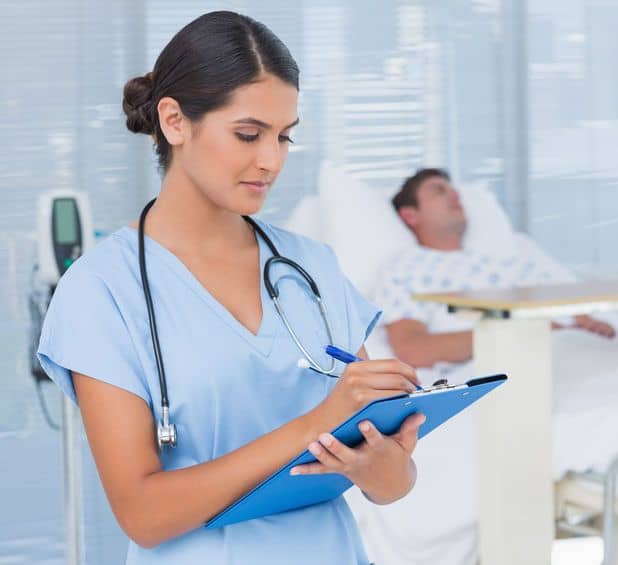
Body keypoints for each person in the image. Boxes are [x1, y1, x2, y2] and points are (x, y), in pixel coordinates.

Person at [36, 11, 424, 564]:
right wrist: (316, 423)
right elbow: (142, 514)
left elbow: (390, 484)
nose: (271, 160)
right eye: (248, 134)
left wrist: (387, 466)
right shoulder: (101, 291)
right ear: (174, 122)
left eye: (284, 137)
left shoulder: (309, 267)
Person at [376, 168, 615, 371]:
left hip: (577, 353)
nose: (454, 195)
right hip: (508, 366)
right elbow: (413, 350)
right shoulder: (405, 268)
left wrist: (586, 323)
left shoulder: (510, 261)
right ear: (410, 215)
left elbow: (572, 310)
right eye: (439, 190)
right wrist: (521, 331)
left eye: (453, 190)